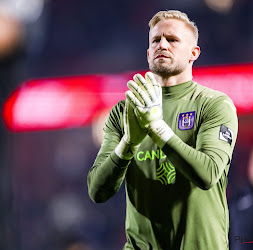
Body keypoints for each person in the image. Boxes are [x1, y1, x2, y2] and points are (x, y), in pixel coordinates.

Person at [87, 10, 238, 249]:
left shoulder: (213, 104)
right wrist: (127, 145)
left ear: (193, 53)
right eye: (156, 40)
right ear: (148, 53)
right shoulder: (123, 112)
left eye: (173, 39)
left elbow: (208, 174)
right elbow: (97, 191)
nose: (162, 45)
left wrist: (157, 129)